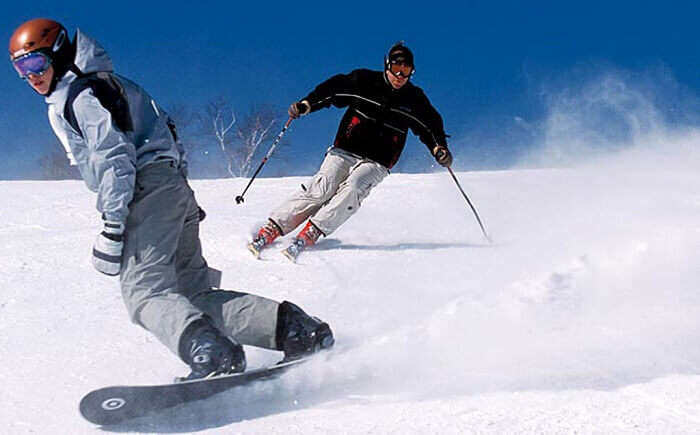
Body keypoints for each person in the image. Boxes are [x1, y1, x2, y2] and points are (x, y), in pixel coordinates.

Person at [9, 18, 333, 380]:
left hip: (144, 191)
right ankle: (293, 328)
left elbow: (112, 156)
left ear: (59, 52)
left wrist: (113, 224)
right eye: (21, 69)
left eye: (36, 64)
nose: (31, 77)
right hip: (170, 189)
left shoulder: (81, 95)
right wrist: (180, 197)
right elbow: (168, 134)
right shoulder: (115, 86)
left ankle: (211, 353)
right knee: (192, 297)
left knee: (145, 292)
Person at [248, 42, 452, 262]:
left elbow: (431, 125)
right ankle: (273, 228)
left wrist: (439, 148)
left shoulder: (414, 99)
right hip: (345, 149)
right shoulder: (364, 81)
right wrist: (307, 104)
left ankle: (313, 231)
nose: (400, 76)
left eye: (406, 71)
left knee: (353, 187)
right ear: (387, 66)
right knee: (322, 189)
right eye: (396, 69)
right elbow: (332, 90)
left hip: (378, 160)